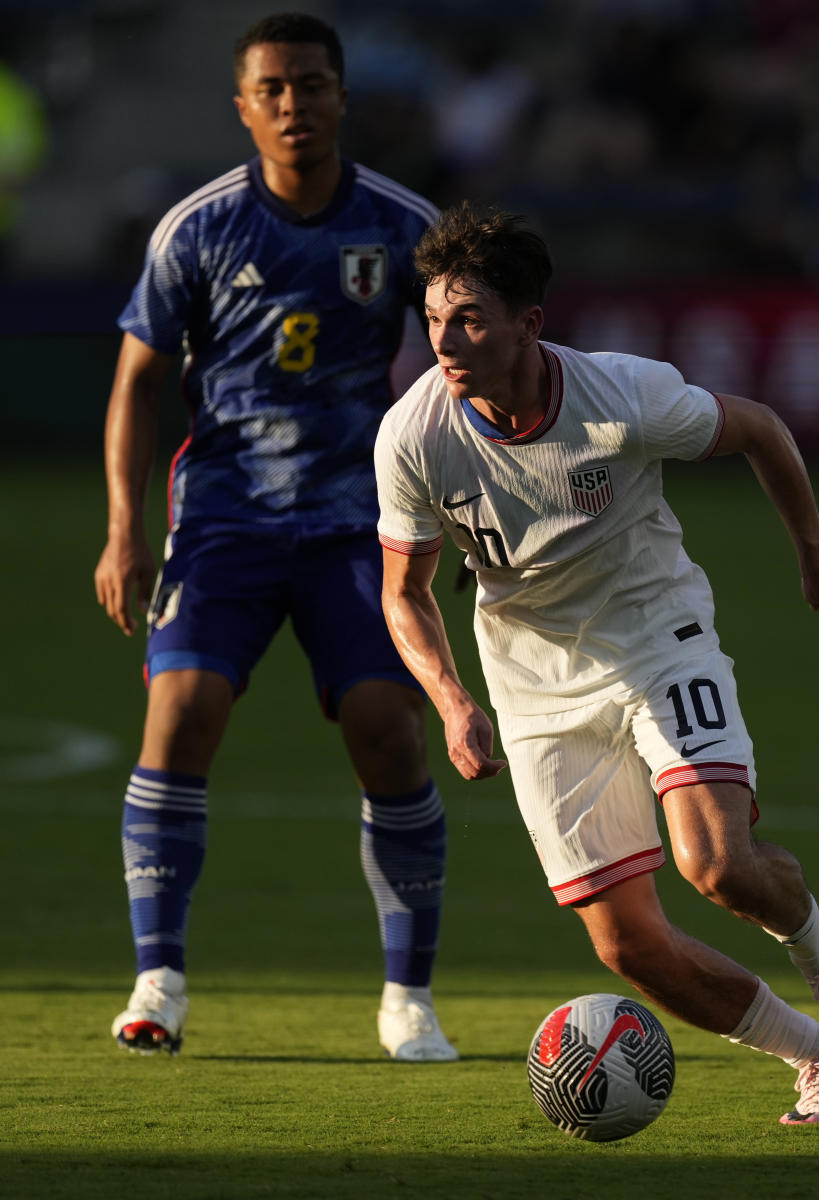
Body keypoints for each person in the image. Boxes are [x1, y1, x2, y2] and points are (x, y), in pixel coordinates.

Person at [374, 202, 819, 1122]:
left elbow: (763, 428)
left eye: (468, 319)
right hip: (534, 689)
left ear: (529, 325)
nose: (445, 342)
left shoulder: (621, 397)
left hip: (658, 638)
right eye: (431, 321)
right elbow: (405, 592)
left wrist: (814, 552)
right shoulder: (414, 437)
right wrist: (452, 701)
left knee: (719, 866)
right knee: (628, 948)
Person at [93, 12, 457, 1063]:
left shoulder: (400, 225)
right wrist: (125, 533)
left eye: (312, 83)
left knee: (390, 731)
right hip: (225, 519)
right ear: (244, 106)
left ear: (343, 96)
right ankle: (157, 980)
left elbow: (456, 361)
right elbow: (134, 383)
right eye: (274, 89)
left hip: (360, 522)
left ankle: (409, 999)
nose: (295, 103)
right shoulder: (197, 229)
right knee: (182, 714)